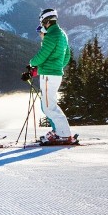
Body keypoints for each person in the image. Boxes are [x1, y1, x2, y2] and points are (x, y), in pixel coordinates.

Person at [28, 8, 73, 144]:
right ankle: (59, 132)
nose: (42, 25)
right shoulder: (62, 34)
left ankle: (64, 134)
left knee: (49, 107)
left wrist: (32, 63)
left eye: (42, 22)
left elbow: (42, 55)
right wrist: (57, 66)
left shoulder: (51, 35)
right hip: (55, 74)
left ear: (46, 21)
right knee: (50, 104)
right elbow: (67, 56)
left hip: (48, 75)